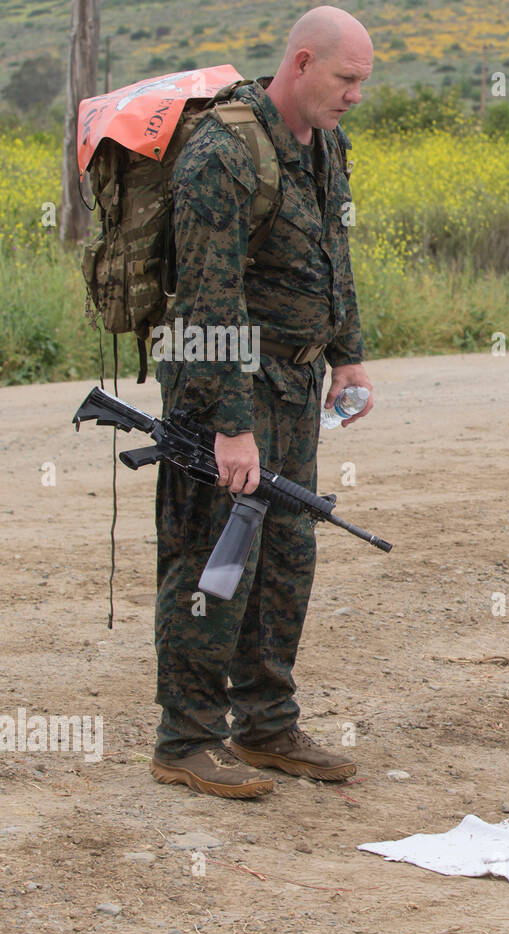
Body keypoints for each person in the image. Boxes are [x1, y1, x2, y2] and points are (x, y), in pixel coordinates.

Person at [149, 6, 375, 798]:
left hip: (295, 383)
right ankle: (185, 739)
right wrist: (231, 428)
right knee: (215, 559)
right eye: (346, 79)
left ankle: (267, 726)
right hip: (225, 390)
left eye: (363, 83)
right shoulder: (223, 152)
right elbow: (209, 306)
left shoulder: (324, 143)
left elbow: (332, 250)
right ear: (303, 62)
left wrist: (346, 354)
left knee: (285, 558)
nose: (354, 95)